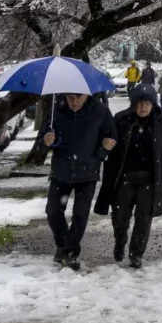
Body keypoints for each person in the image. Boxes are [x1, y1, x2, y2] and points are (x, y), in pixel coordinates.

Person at [95, 84, 162, 269]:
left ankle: (136, 253)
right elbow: (109, 141)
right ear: (133, 104)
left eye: (147, 103)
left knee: (144, 217)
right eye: (138, 103)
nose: (142, 107)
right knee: (120, 215)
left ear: (153, 104)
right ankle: (120, 241)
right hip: (124, 176)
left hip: (150, 178)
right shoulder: (121, 120)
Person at [42, 93, 117, 270]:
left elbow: (112, 138)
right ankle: (63, 244)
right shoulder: (56, 110)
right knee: (53, 212)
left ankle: (70, 252)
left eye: (79, 98)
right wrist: (49, 141)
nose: (74, 102)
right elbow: (44, 138)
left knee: (80, 214)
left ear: (87, 95)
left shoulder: (100, 111)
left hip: (87, 172)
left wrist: (102, 151)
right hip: (61, 171)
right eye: (70, 97)